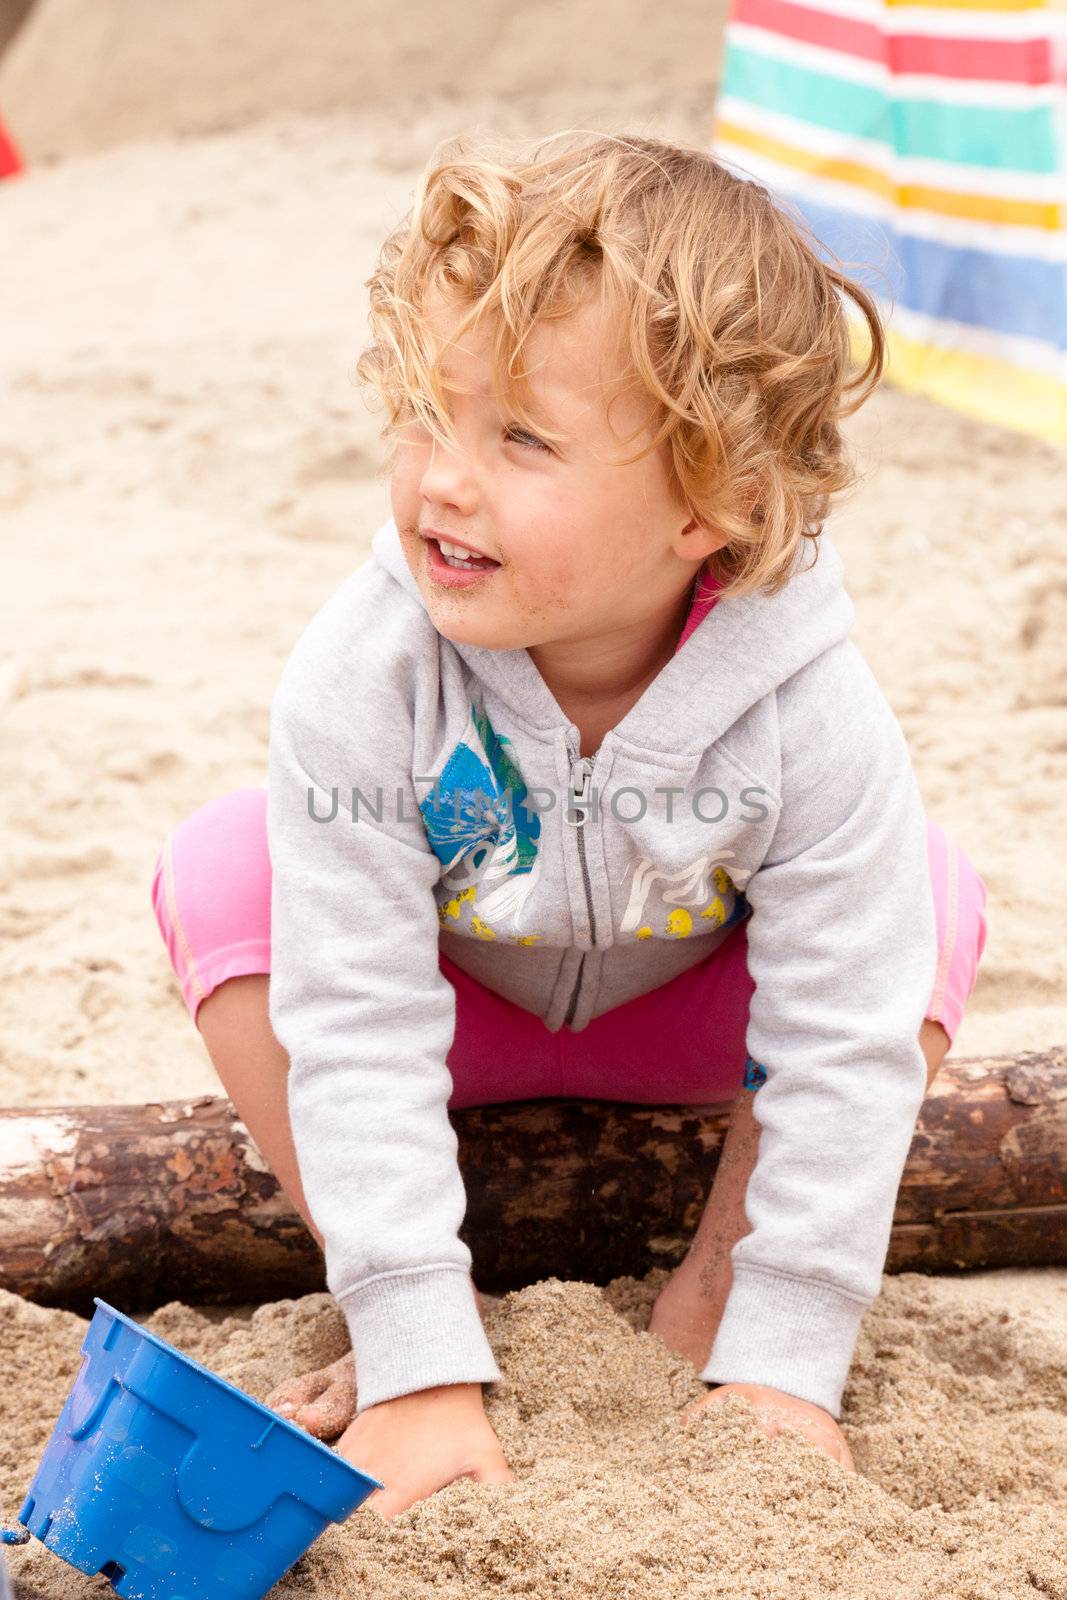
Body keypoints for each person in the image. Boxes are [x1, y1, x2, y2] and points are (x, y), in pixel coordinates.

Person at [151, 131, 989, 1519]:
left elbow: (842, 1043)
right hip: (455, 1005)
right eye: (425, 409)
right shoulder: (368, 671)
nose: (441, 482)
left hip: (696, 1032)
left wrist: (794, 1362)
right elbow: (352, 1018)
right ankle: (429, 1317)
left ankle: (718, 1309)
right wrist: (418, 1356)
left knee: (931, 889)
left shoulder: (804, 701)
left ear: (713, 499)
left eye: (520, 438)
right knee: (224, 870)